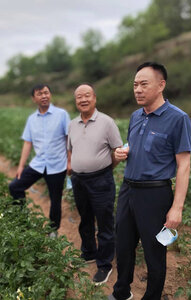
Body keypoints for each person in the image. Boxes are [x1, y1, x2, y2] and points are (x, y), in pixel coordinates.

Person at [109, 62, 191, 300]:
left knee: (154, 253)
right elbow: (132, 149)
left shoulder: (178, 118)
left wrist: (177, 208)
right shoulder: (136, 116)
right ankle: (121, 291)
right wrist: (120, 154)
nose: (137, 89)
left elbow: (183, 165)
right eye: (135, 85)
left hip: (155, 195)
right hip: (128, 190)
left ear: (161, 85)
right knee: (123, 246)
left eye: (144, 84)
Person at [67, 83, 123, 285]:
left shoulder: (107, 122)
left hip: (101, 179)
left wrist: (106, 168)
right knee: (85, 219)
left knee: (105, 222)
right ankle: (89, 252)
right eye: (79, 97)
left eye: (87, 96)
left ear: (94, 98)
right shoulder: (72, 124)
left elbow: (118, 151)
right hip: (78, 180)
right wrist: (71, 165)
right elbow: (70, 148)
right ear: (76, 101)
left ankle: (104, 264)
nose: (83, 100)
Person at [8, 84, 70, 235]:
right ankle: (22, 221)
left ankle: (53, 231)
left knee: (55, 199)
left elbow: (69, 139)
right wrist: (21, 166)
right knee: (15, 186)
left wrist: (70, 161)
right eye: (40, 94)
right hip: (38, 163)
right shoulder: (31, 119)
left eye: (46, 93)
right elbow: (27, 143)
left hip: (58, 164)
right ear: (33, 98)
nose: (44, 96)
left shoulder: (61, 114)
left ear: (50, 95)